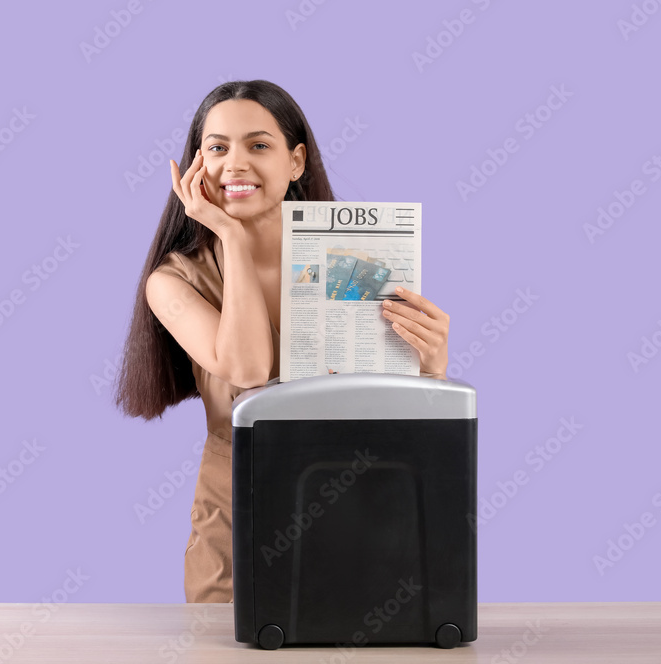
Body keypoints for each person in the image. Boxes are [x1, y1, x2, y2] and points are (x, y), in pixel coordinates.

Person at [114, 79, 450, 603]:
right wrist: (230, 235)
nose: (235, 164)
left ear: (296, 161)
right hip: (236, 499)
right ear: (197, 164)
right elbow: (245, 370)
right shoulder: (174, 280)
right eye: (217, 148)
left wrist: (431, 369)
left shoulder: (356, 262)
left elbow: (393, 411)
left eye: (259, 145)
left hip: (350, 488)